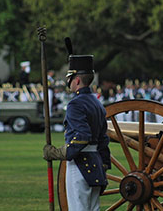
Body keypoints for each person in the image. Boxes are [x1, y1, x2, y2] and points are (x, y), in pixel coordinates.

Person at [43, 54, 111, 211]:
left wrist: (59, 153)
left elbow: (82, 136)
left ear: (77, 80)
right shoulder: (97, 103)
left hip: (79, 164)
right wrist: (105, 163)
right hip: (96, 164)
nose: (69, 82)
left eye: (70, 78)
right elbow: (103, 138)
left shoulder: (75, 104)